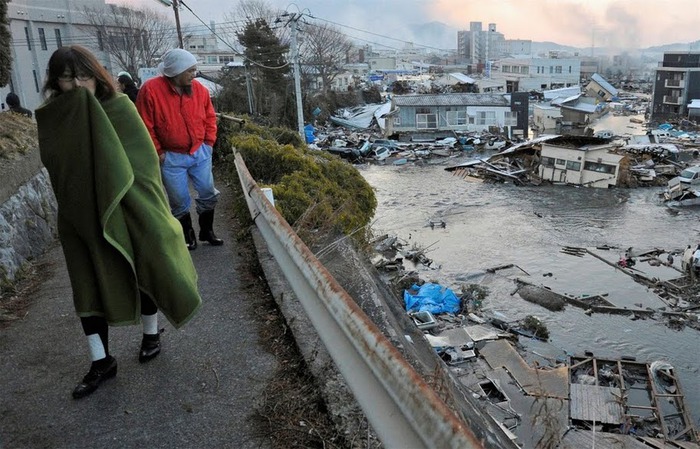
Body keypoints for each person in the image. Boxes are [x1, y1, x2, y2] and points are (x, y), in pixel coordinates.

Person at [35, 45, 202, 399]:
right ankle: (101, 361)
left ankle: (151, 332)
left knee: (142, 266)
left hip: (129, 206)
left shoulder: (120, 109)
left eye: (83, 77)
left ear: (97, 77)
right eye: (67, 78)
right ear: (55, 82)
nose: (77, 86)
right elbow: (58, 166)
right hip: (79, 213)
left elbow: (143, 166)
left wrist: (138, 204)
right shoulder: (55, 118)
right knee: (87, 282)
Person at [136, 48, 223, 250]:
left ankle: (207, 231)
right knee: (179, 199)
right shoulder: (150, 90)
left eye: (195, 70)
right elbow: (144, 124)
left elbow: (210, 116)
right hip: (171, 156)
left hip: (199, 151)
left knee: (208, 192)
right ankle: (187, 235)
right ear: (175, 71)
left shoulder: (199, 90)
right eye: (190, 71)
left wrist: (209, 142)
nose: (194, 75)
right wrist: (159, 152)